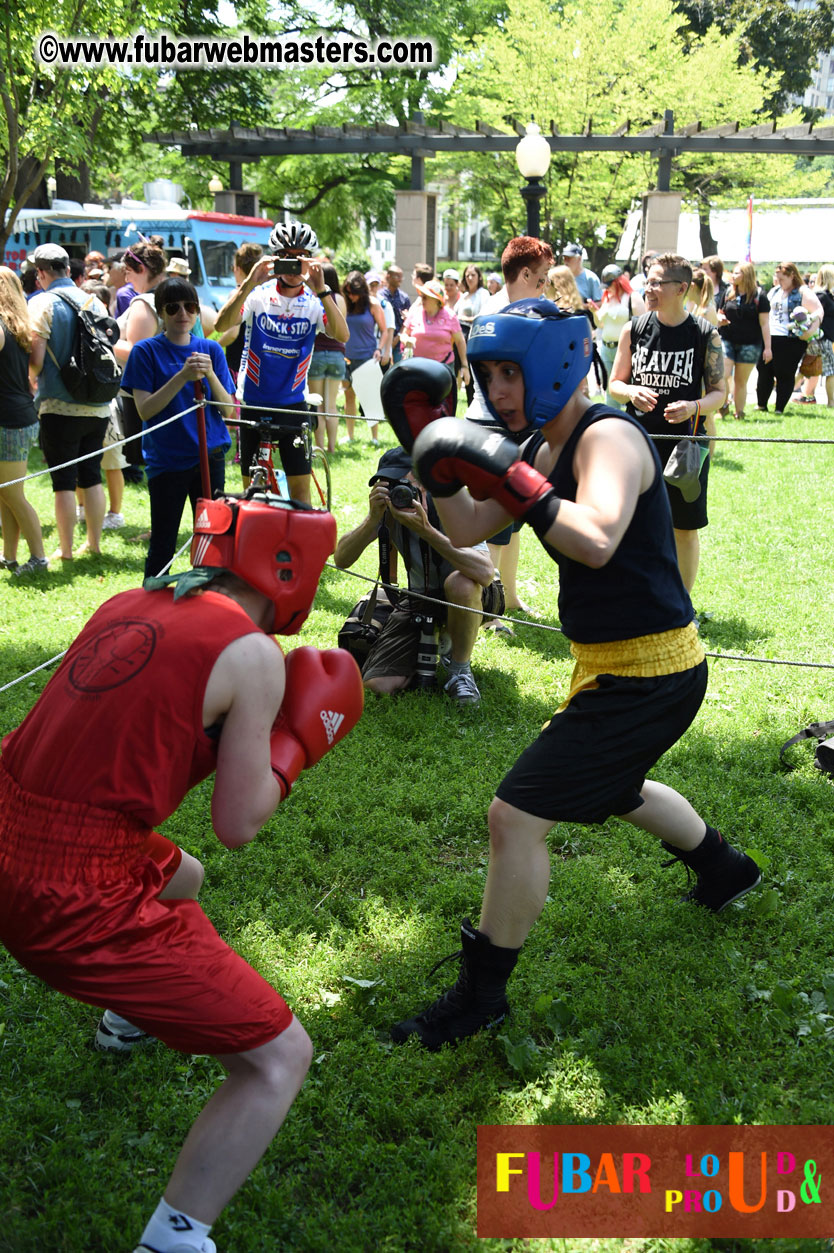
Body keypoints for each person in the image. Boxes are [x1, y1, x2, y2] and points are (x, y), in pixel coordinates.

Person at [381, 304, 761, 1050]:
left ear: (555, 362)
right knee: (614, 785)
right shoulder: (537, 444)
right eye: (487, 375)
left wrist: (513, 478)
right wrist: (422, 442)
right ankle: (726, 869)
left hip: (650, 673)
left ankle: (480, 997)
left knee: (514, 816)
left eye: (511, 372)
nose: (499, 389)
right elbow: (466, 529)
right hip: (617, 667)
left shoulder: (609, 436)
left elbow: (593, 539)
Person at [0, 489, 364, 1251]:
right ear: (289, 568)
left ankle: (122, 1021)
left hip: (15, 821)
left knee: (181, 875)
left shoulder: (127, 599)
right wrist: (295, 747)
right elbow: (239, 823)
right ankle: (173, 1239)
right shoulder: (253, 653)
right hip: (68, 888)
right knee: (278, 1058)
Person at [334, 444, 497, 705]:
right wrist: (372, 520)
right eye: (388, 484)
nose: (398, 493)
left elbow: (484, 573)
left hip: (475, 594)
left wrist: (427, 531)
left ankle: (459, 669)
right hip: (419, 598)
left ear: (424, 483)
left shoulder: (452, 503)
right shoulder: (388, 514)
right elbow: (341, 559)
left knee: (461, 584)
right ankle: (433, 638)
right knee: (378, 685)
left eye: (403, 484)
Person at [608, 253, 725, 595]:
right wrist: (630, 392)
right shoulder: (636, 328)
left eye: (658, 282)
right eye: (649, 280)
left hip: (685, 447)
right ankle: (638, 594)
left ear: (682, 288)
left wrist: (694, 406)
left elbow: (720, 393)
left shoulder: (705, 335)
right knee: (634, 523)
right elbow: (614, 384)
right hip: (638, 444)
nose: (650, 287)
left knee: (684, 527)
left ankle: (682, 601)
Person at [213, 221, 348, 503]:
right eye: (286, 256)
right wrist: (250, 281)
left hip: (293, 404)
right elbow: (221, 323)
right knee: (252, 493)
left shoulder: (314, 300)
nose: (293, 264)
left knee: (300, 493)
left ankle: (301, 545)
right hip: (253, 400)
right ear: (274, 258)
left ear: (310, 260)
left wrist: (323, 290)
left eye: (300, 257)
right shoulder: (258, 295)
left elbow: (341, 334)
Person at [122, 277, 234, 581]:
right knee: (163, 542)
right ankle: (154, 601)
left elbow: (229, 409)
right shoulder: (145, 352)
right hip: (167, 461)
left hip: (209, 458)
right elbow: (145, 409)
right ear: (161, 312)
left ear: (197, 311)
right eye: (173, 307)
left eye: (189, 306)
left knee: (213, 538)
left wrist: (209, 374)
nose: (182, 313)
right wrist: (182, 377)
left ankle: (210, 602)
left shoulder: (211, 349)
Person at [466, 236, 554, 615]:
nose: (546, 284)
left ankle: (510, 597)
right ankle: (489, 609)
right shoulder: (499, 315)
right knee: (495, 524)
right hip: (492, 427)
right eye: (543, 276)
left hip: (519, 426)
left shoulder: (527, 308)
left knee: (515, 520)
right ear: (524, 273)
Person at [27, 243, 112, 562]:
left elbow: (35, 360)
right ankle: (94, 543)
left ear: (42, 273)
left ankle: (65, 550)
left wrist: (29, 376)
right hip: (98, 403)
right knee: (91, 474)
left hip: (59, 404)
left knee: (63, 481)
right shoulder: (93, 300)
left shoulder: (42, 303)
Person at [0, 267, 47, 576]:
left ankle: (39, 559)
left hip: (10, 419)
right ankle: (9, 556)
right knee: (5, 491)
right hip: (19, 414)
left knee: (13, 492)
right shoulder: (19, 327)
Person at [756, 262, 823, 414]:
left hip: (790, 339)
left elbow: (818, 311)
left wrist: (810, 331)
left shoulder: (802, 292)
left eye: (782, 279)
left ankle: (779, 408)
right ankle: (761, 405)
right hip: (770, 337)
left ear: (792, 275)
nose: (779, 282)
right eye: (777, 279)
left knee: (784, 373)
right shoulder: (774, 292)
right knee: (764, 370)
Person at [401, 279, 469, 415]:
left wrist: (465, 366)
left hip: (443, 368)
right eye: (422, 296)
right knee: (420, 405)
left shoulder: (449, 315)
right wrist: (407, 339)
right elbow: (403, 334)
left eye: (425, 296)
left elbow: (460, 341)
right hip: (418, 368)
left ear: (436, 299)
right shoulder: (416, 313)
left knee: (443, 406)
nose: (422, 298)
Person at [716, 261, 771, 421]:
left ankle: (739, 412)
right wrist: (720, 318)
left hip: (750, 344)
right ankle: (723, 406)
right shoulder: (728, 293)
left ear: (746, 275)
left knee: (740, 380)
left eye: (737, 273)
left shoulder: (759, 296)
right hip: (726, 339)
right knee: (723, 375)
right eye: (733, 273)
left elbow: (765, 323)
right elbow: (719, 312)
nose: (733, 276)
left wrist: (768, 348)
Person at [342, 271, 391, 444]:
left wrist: (380, 349)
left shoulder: (373, 304)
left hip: (367, 356)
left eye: (354, 292)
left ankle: (375, 437)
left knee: (370, 397)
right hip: (347, 356)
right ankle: (350, 435)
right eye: (348, 292)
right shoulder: (344, 303)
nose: (351, 296)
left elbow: (384, 330)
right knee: (349, 396)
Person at [307, 263, 347, 454]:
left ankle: (320, 447)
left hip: (317, 354)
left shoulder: (314, 297)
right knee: (331, 405)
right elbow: (341, 328)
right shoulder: (339, 298)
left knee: (319, 405)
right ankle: (332, 447)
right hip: (337, 355)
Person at [593, 264, 645, 408]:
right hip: (606, 348)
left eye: (609, 285)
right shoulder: (607, 298)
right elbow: (600, 324)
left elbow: (643, 325)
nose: (607, 288)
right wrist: (594, 312)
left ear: (618, 282)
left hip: (625, 350)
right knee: (610, 389)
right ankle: (612, 422)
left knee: (627, 390)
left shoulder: (632, 297)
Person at [800, 264, 834, 406]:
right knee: (830, 371)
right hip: (821, 338)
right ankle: (831, 402)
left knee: (805, 369)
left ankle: (782, 387)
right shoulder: (822, 296)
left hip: (822, 338)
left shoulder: (827, 296)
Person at [383, 264, 411, 363]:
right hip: (383, 341)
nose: (400, 279)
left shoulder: (404, 298)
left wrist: (397, 337)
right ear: (388, 277)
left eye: (401, 276)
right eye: (397, 276)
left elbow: (408, 320)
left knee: (400, 368)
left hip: (399, 342)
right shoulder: (381, 296)